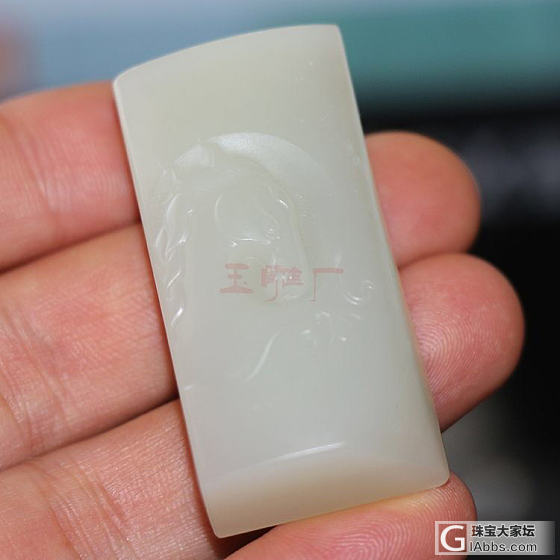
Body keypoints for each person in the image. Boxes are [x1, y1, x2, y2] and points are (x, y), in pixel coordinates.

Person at [0, 83, 524, 559]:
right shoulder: (225, 342)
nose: (274, 255)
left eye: (275, 231)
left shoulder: (327, 332)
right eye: (250, 240)